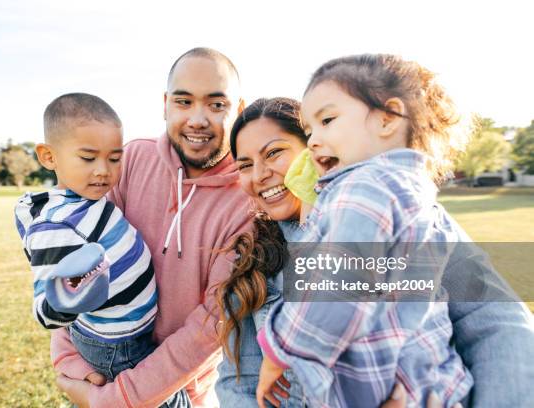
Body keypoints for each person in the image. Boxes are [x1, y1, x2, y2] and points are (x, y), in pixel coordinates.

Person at [217, 93, 534, 407]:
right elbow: (237, 382)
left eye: (274, 153)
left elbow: (498, 324)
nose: (259, 174)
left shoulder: (408, 217)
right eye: (245, 165)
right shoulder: (252, 262)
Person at [51, 48, 252, 408]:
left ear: (238, 110)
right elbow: (75, 260)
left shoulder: (247, 202)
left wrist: (119, 399)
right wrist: (69, 359)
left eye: (216, 105)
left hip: (178, 393)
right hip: (97, 368)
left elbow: (210, 326)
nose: (197, 119)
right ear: (165, 105)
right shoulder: (132, 161)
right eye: (184, 101)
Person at [15, 93, 190, 407]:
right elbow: (44, 308)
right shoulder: (54, 228)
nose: (103, 171)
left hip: (131, 332)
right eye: (88, 157)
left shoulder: (85, 199)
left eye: (114, 158)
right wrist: (70, 299)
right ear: (48, 156)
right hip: (116, 344)